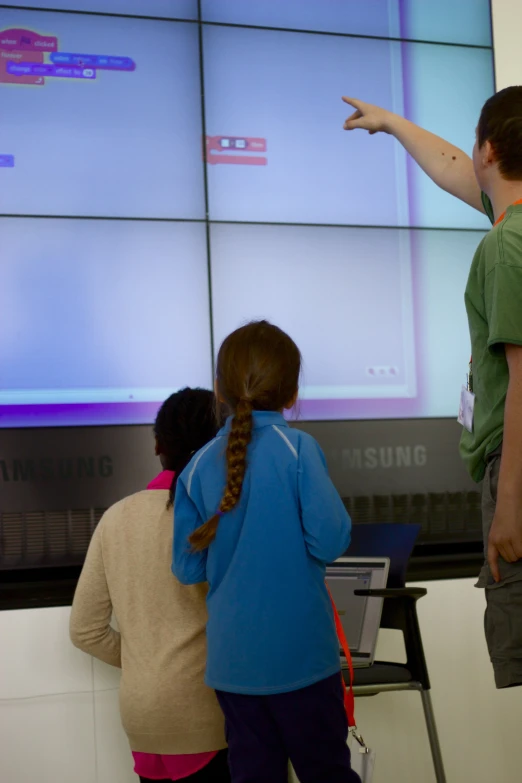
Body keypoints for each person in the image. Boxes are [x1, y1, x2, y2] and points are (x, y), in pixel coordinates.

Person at [343, 88, 522, 689]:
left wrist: (509, 507)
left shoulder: (506, 247)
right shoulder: (513, 222)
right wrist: (393, 124)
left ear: (489, 149)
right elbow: (455, 169)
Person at [172, 321, 361, 783]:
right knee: (327, 774)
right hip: (304, 664)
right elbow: (331, 540)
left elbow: (186, 566)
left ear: (219, 389)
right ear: (292, 393)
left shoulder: (195, 469)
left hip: (233, 670)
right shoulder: (298, 449)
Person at [70, 388, 230, 783]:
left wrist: (150, 662)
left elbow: (84, 631)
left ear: (158, 444)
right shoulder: (221, 518)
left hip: (142, 719)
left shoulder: (115, 518)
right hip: (208, 715)